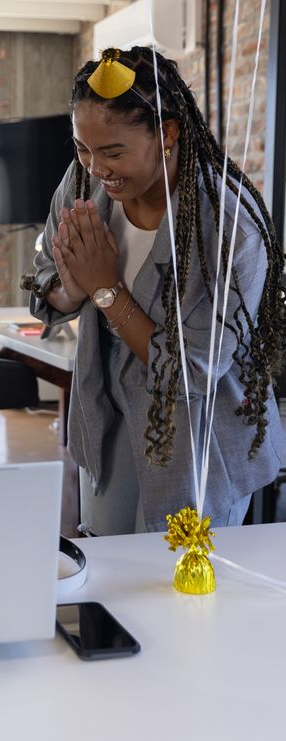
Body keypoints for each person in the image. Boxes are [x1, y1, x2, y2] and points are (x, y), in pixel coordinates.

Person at [24, 45, 286, 536]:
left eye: (113, 151)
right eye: (82, 148)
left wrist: (106, 289)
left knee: (179, 577)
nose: (95, 167)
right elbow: (46, 282)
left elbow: (191, 371)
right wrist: (72, 288)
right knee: (107, 565)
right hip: (108, 420)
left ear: (166, 132)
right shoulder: (83, 184)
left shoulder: (227, 228)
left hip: (198, 439)